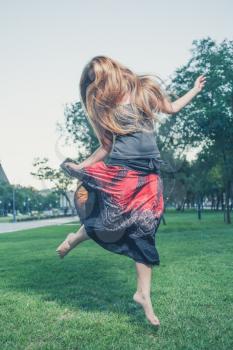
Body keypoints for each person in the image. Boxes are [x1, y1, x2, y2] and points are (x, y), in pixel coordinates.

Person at [56, 56, 206, 327]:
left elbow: (170, 108)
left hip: (149, 174)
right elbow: (106, 147)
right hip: (123, 172)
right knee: (111, 220)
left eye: (100, 78)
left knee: (144, 230)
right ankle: (76, 237)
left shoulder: (143, 90)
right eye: (94, 82)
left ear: (112, 72)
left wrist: (194, 90)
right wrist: (82, 165)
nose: (98, 85)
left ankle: (143, 295)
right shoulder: (106, 108)